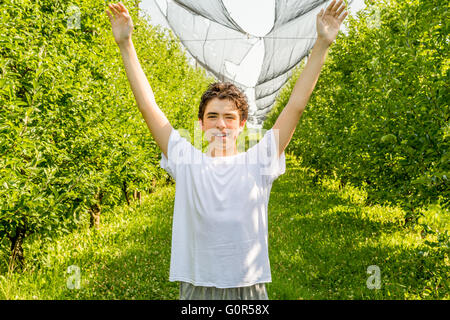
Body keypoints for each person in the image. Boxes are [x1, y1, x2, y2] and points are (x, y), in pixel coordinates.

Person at [106, 0, 348, 300]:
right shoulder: (186, 160)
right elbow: (148, 107)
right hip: (197, 284)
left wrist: (322, 44)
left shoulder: (259, 160)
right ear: (201, 124)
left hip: (247, 284)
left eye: (229, 117)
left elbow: (295, 106)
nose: (221, 125)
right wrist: (126, 43)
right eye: (213, 116)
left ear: (242, 124)